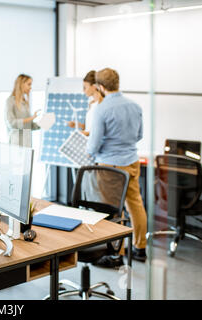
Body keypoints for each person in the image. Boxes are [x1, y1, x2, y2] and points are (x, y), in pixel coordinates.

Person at [86, 68, 148, 265]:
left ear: (100, 87)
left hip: (110, 165)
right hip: (131, 161)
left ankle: (116, 254)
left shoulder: (101, 109)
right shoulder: (135, 106)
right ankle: (140, 248)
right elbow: (139, 136)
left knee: (113, 210)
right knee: (135, 205)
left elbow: (94, 145)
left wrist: (90, 151)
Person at [5, 74, 40, 148]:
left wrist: (43, 123)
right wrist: (31, 118)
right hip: (16, 143)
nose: (30, 87)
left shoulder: (25, 103)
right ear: (21, 84)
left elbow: (29, 126)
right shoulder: (10, 101)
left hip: (27, 144)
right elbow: (11, 123)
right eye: (29, 84)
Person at [67, 70, 104, 136]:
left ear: (94, 86)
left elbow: (102, 130)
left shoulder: (102, 103)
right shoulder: (91, 104)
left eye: (85, 87)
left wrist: (85, 133)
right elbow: (89, 127)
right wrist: (78, 125)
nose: (83, 90)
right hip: (87, 141)